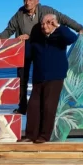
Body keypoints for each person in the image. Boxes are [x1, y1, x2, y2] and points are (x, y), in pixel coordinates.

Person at [0, 0, 83, 115]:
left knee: (41, 78)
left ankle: (43, 107)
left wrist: (79, 28)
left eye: (31, 0)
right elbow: (9, 30)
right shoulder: (19, 14)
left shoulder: (47, 11)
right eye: (25, 0)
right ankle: (22, 107)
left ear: (37, 1)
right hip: (25, 48)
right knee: (22, 78)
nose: (27, 3)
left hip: (41, 48)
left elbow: (64, 19)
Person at [21, 14, 78, 144]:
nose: (44, 26)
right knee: (33, 106)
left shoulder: (60, 36)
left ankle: (44, 136)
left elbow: (72, 38)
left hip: (55, 77)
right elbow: (27, 54)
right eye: (42, 23)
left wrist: (58, 26)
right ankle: (30, 135)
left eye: (48, 23)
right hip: (38, 77)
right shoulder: (36, 39)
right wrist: (24, 41)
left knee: (48, 106)